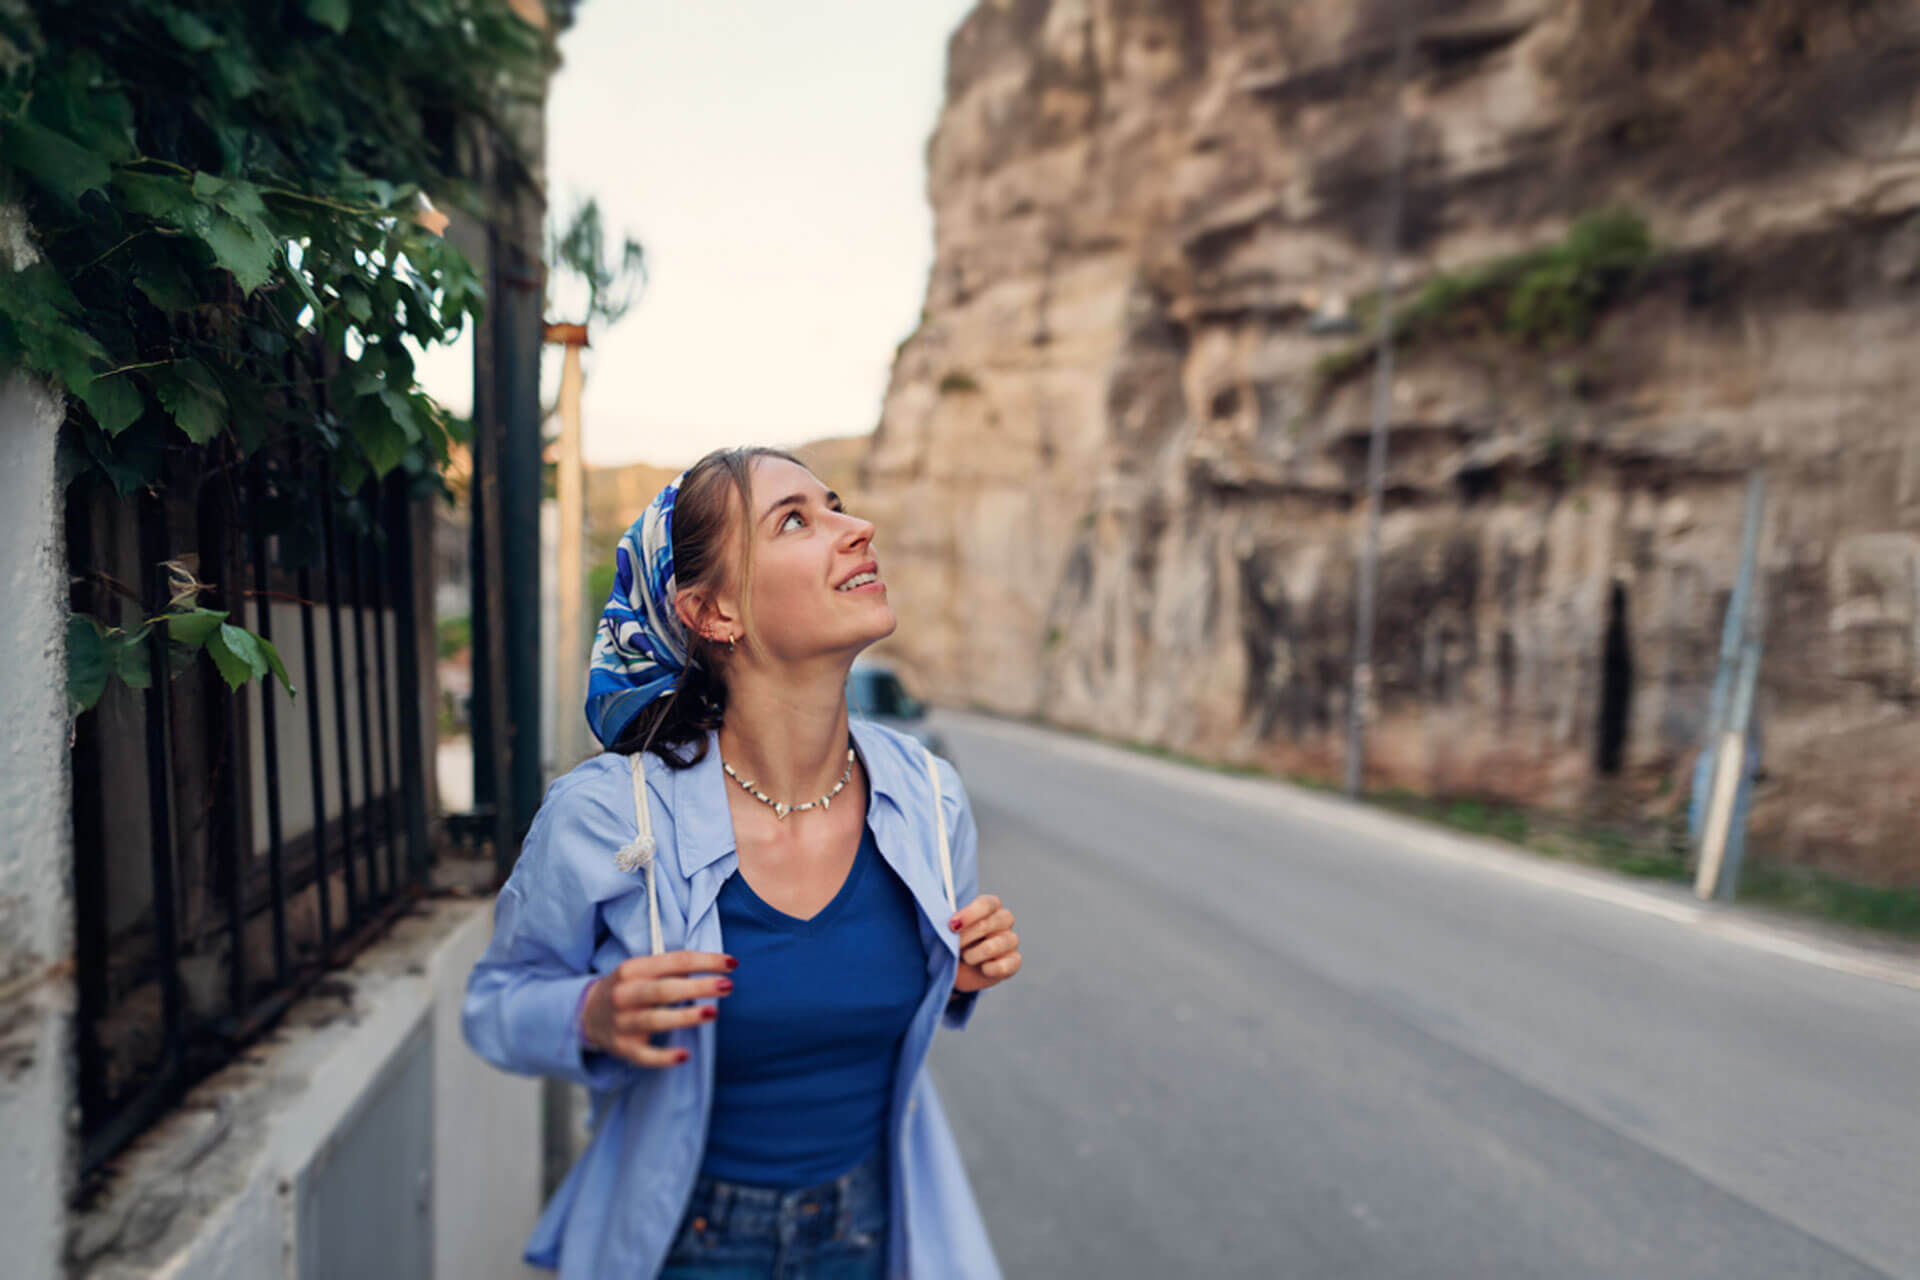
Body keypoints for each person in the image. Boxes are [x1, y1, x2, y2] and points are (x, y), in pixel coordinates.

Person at [462, 446, 1020, 1279]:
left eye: (838, 505)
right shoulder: (608, 815)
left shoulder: (929, 800)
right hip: (684, 1244)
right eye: (796, 520)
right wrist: (590, 1014)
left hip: (874, 1238)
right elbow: (494, 1004)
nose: (858, 528)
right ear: (713, 610)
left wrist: (960, 974)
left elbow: (897, 995)